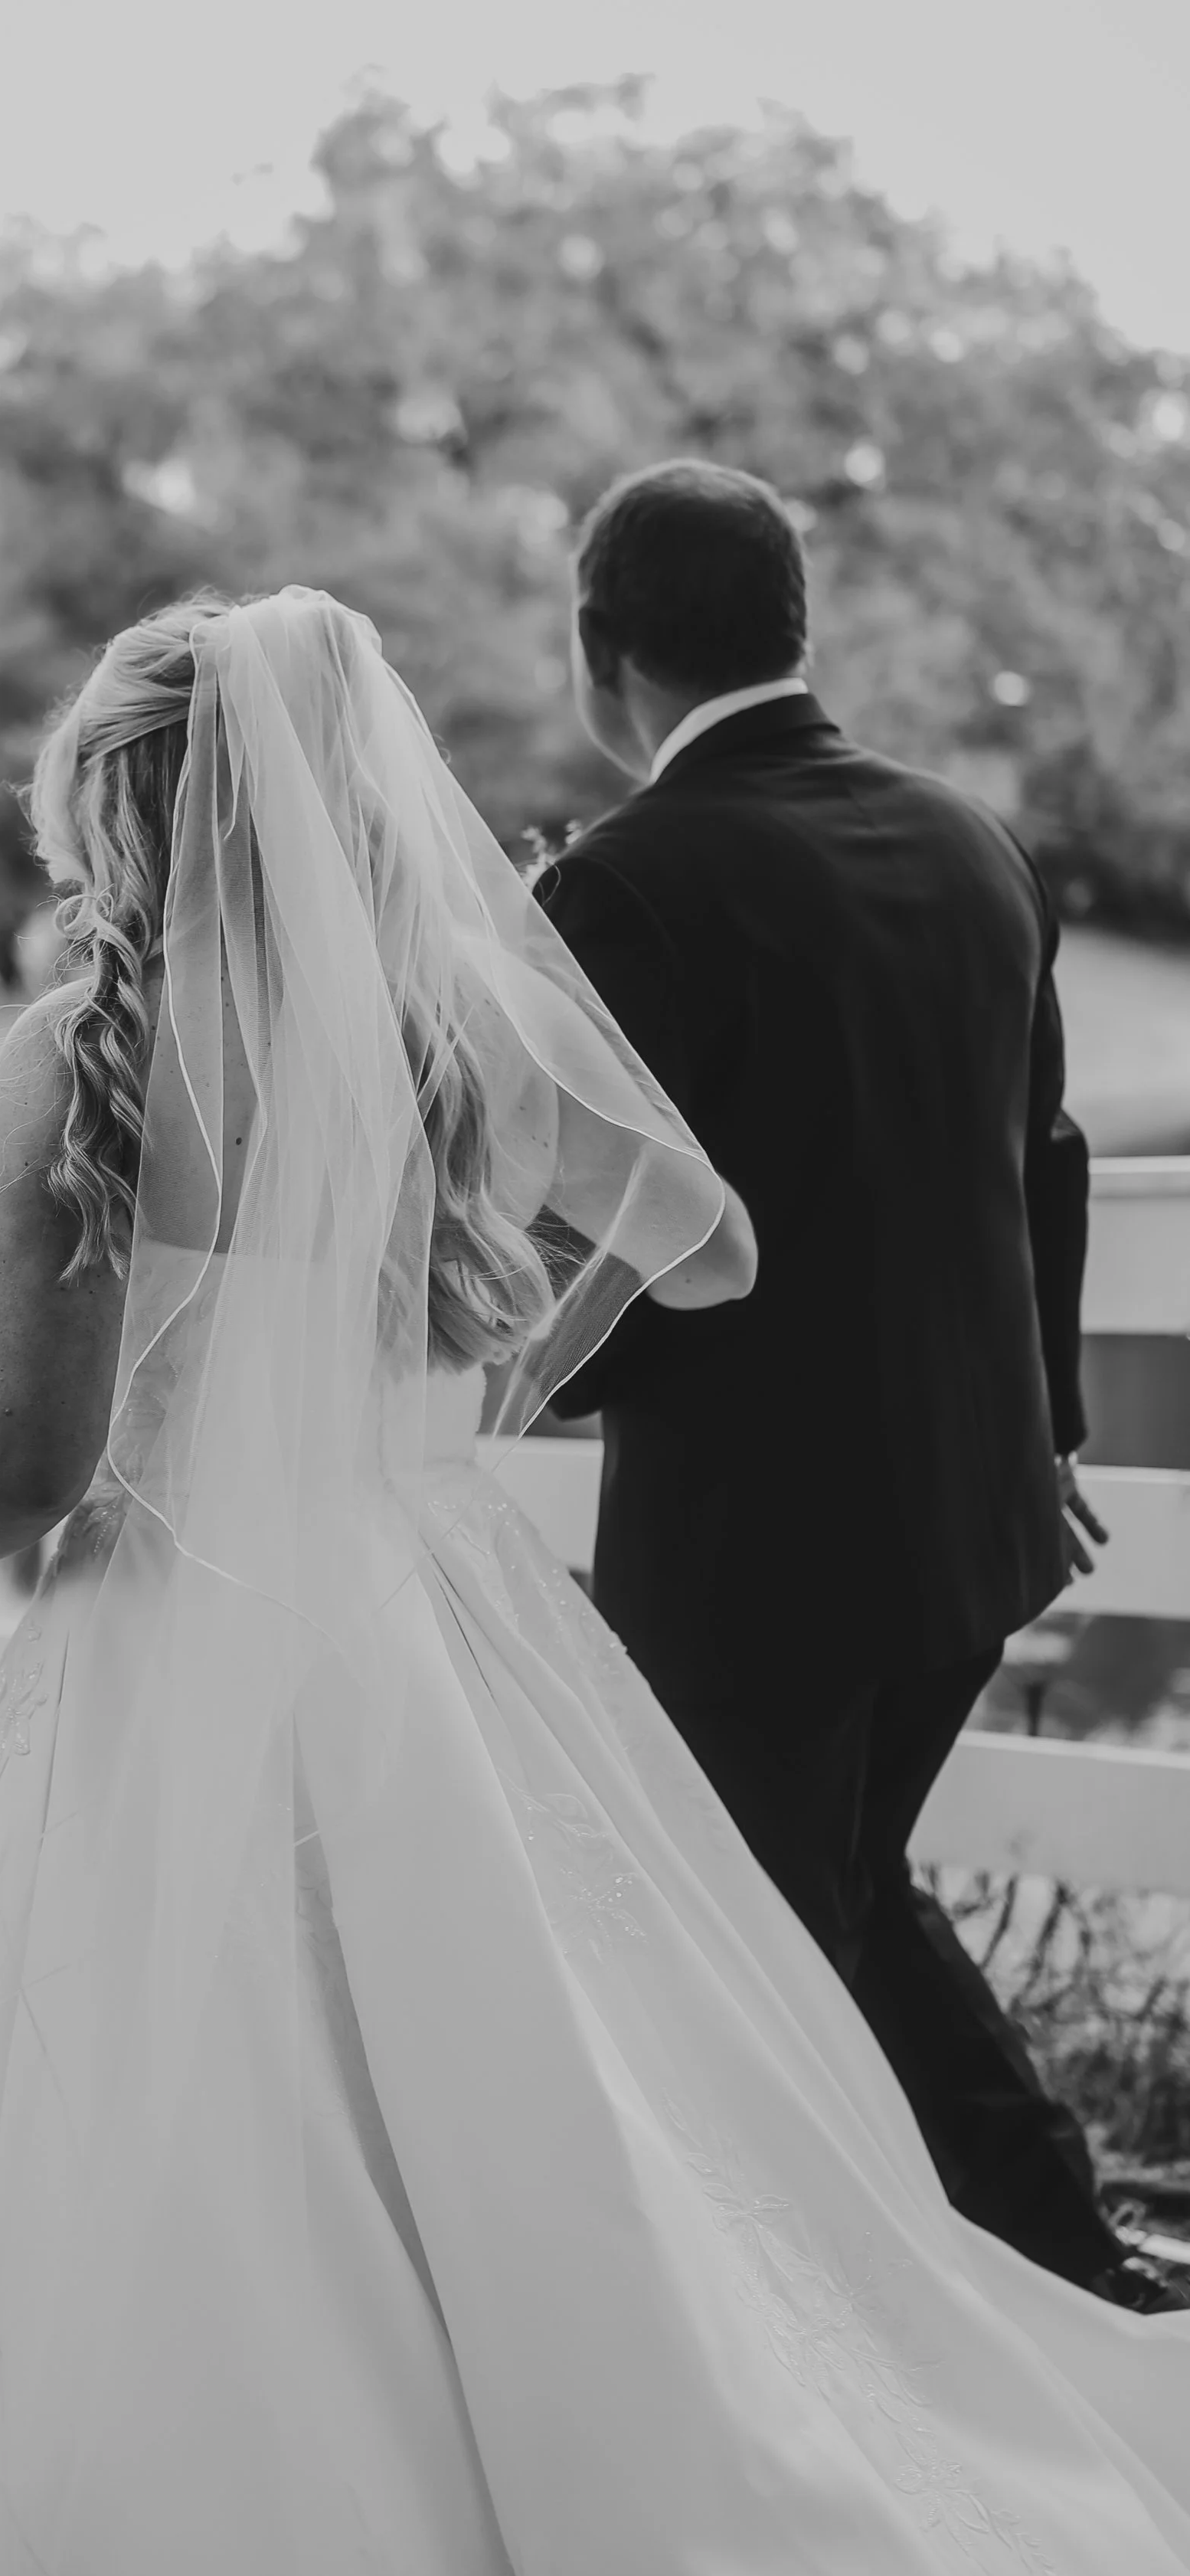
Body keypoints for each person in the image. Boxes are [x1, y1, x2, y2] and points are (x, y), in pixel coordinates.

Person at [0, 588, 1190, 2576]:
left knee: (167, 2124)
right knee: (557, 2105)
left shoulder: (79, 1053)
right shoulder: (459, 1028)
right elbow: (677, 1238)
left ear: (124, 795)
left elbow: (24, 1465)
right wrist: (447, 1399)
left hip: (166, 1650)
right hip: (435, 1619)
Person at [532, 458, 1157, 2303]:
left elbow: (606, 1233)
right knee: (837, 1895)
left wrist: (549, 1381)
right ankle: (1059, 2251)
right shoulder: (975, 839)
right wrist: (1041, 1427)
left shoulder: (621, 884)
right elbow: (1036, 1155)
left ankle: (840, 2338)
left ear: (601, 653)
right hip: (966, 1524)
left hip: (753, 1550)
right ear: (792, 627)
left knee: (742, 1946)